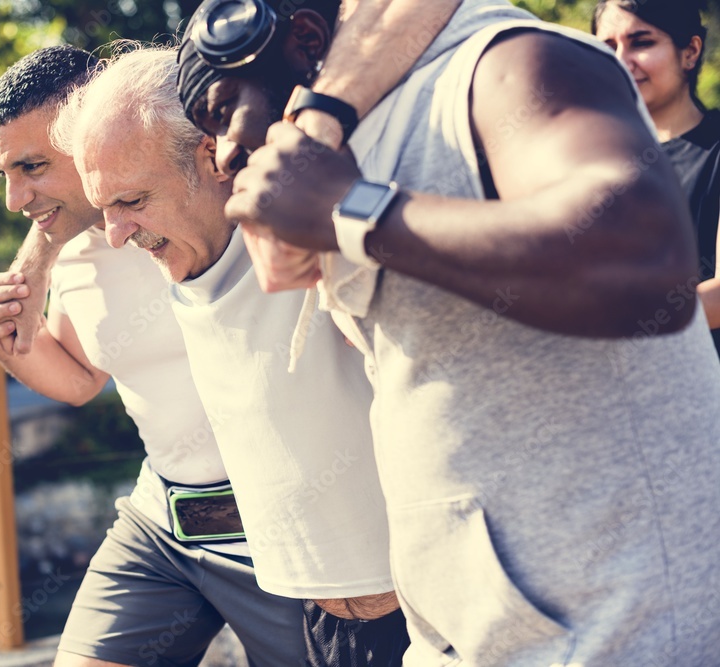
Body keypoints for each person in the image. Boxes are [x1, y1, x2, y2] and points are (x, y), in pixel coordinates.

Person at [197, 0, 720, 663]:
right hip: (470, 636)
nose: (222, 154)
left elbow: (644, 265)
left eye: (218, 113)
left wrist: (352, 209)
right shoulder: (361, 125)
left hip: (623, 631)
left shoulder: (515, 61)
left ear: (300, 35)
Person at [58, 42, 407, 665]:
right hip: (317, 614)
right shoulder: (175, 249)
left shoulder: (301, 216)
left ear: (212, 156)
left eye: (132, 202)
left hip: (415, 609)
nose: (116, 232)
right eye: (104, 206)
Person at [0, 46, 309, 667]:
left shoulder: (209, 194)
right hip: (164, 527)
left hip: (289, 526)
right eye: (7, 174)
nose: (16, 197)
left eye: (34, 166)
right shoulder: (75, 249)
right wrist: (10, 343)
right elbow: (77, 379)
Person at [593, 0, 720, 357]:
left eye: (642, 42)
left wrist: (617, 323)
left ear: (690, 52)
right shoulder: (593, 160)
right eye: (607, 47)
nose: (621, 60)